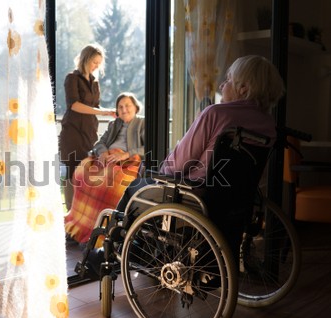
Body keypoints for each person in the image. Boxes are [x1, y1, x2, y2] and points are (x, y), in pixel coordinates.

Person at [115, 54, 285, 265]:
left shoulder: (215, 113)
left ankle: (118, 249)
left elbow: (178, 164)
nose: (222, 85)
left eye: (228, 80)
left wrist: (158, 175)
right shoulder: (268, 125)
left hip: (196, 195)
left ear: (243, 88)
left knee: (137, 187)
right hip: (237, 199)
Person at [65, 92, 144, 245]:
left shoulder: (143, 123)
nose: (124, 109)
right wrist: (104, 152)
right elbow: (99, 143)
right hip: (108, 158)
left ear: (135, 107)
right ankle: (79, 225)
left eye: (127, 105)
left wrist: (125, 155)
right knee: (83, 171)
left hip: (128, 161)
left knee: (110, 180)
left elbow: (147, 147)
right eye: (120, 107)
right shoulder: (114, 124)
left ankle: (101, 232)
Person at [59, 44, 116, 211]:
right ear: (85, 59)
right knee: (72, 173)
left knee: (86, 174)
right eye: (94, 62)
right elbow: (75, 105)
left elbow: (94, 108)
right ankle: (70, 215)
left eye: (99, 63)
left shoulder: (95, 83)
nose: (97, 66)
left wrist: (108, 112)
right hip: (72, 134)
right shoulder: (72, 78)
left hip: (89, 134)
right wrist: (104, 112)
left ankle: (82, 215)